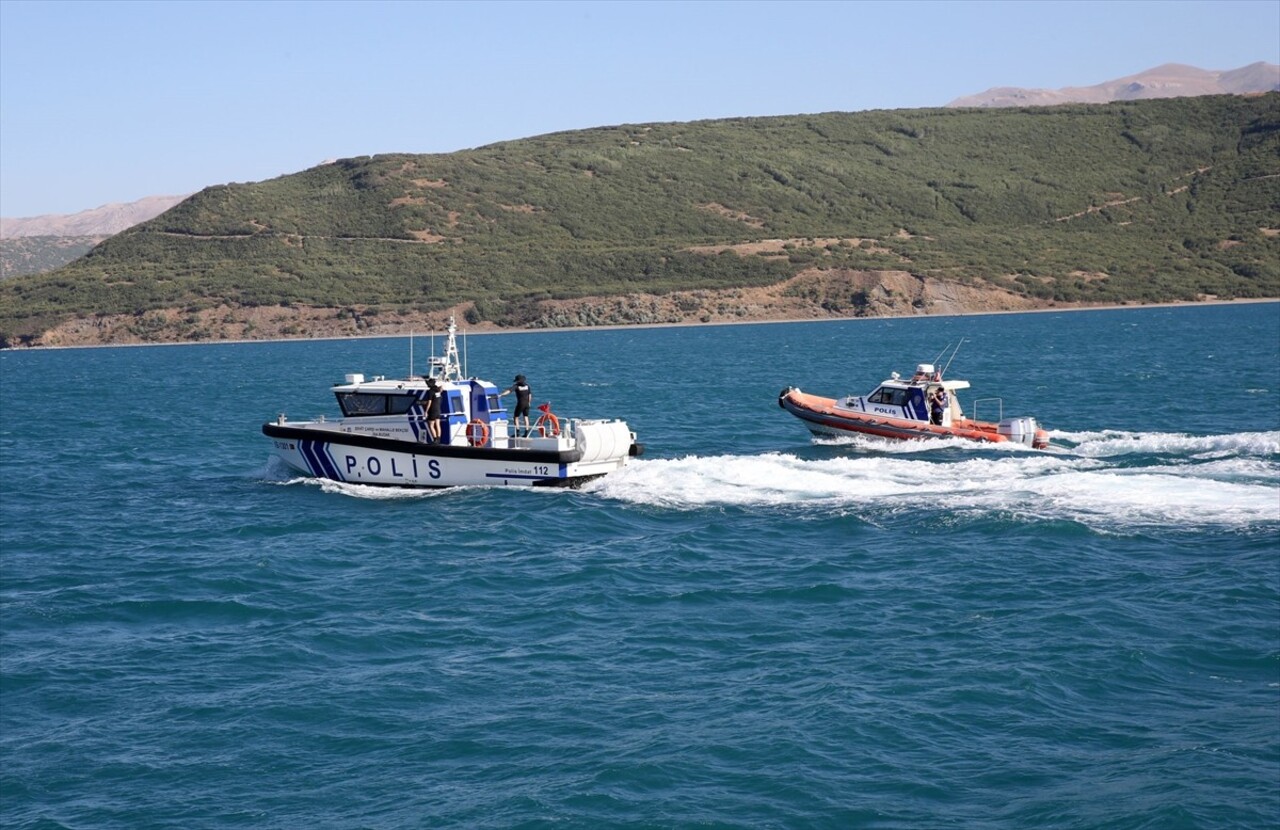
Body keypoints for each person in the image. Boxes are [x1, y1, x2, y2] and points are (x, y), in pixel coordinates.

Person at [423, 377, 442, 442]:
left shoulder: (431, 391)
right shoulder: (438, 390)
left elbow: (430, 402)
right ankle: (439, 438)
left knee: (431, 425)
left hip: (433, 410)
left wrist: (426, 411)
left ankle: (435, 439)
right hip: (438, 410)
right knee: (438, 424)